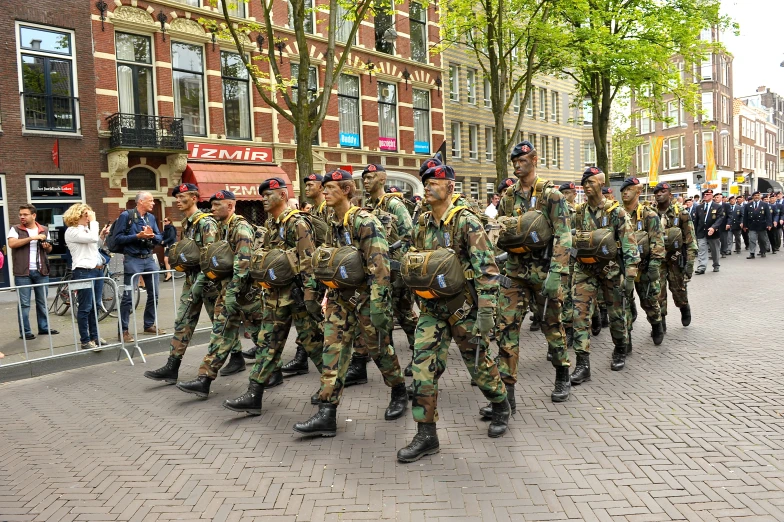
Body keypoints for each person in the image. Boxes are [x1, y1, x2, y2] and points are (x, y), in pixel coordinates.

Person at [397, 164, 509, 463]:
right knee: (422, 367)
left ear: (449, 186)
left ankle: (500, 403)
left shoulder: (466, 222)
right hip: (432, 308)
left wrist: (487, 310)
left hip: (464, 309)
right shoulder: (421, 222)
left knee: (479, 365)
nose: (428, 187)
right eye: (426, 183)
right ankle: (426, 434)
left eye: (434, 182)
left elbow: (487, 269)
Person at [293, 169, 407, 437]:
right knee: (332, 352)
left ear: (346, 189)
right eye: (324, 188)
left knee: (380, 351)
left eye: (331, 187)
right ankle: (327, 413)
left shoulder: (364, 221)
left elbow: (380, 265)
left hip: (367, 298)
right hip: (340, 299)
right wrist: (321, 294)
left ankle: (399, 391)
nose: (325, 192)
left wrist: (379, 306)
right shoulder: (332, 222)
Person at [223, 177, 324, 415]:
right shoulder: (271, 224)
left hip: (298, 296)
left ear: (283, 195)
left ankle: (330, 390)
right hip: (276, 296)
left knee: (315, 346)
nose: (264, 199)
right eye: (263, 195)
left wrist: (311, 296)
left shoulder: (297, 223)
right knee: (268, 345)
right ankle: (253, 395)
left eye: (269, 194)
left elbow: (308, 260)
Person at [493, 140, 572, 408]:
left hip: (543, 270)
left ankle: (563, 373)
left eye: (523, 160)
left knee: (551, 326)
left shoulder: (552, 195)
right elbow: (502, 231)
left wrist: (557, 272)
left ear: (534, 159)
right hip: (515, 272)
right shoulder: (508, 197)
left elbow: (563, 234)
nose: (517, 164)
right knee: (507, 328)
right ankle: (507, 395)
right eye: (514, 160)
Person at [176, 190, 261, 398]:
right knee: (221, 334)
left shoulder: (240, 228)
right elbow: (217, 259)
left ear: (230, 206)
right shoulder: (223, 228)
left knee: (264, 338)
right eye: (211, 205)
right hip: (229, 291)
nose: (212, 209)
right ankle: (204, 380)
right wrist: (203, 281)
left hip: (246, 295)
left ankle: (276, 371)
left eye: (216, 206)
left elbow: (243, 264)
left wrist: (232, 293)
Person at [144, 183, 221, 384]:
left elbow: (211, 256)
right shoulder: (187, 223)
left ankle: (238, 357)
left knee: (220, 325)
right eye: (176, 197)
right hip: (192, 280)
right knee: (183, 322)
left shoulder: (206, 223)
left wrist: (200, 283)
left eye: (182, 197)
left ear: (194, 197)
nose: (178, 201)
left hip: (209, 283)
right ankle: (172, 366)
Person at [570, 167, 639, 383]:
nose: (587, 186)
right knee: (579, 315)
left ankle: (620, 348)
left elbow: (629, 245)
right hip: (585, 271)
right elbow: (568, 242)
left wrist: (630, 275)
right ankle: (582, 364)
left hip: (610, 270)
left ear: (601, 183)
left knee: (617, 314)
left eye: (591, 182)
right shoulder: (578, 213)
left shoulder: (616, 212)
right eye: (585, 183)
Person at [354, 163, 418, 379]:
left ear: (382, 179)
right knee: (383, 313)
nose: (366, 181)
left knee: (405, 314)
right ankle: (383, 359)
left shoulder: (393, 204)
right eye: (364, 178)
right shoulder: (368, 206)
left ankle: (419, 355)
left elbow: (409, 234)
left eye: (370, 177)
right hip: (379, 269)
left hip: (396, 269)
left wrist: (394, 253)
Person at [619, 177, 665, 348]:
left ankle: (656, 324)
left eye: (629, 189)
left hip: (644, 268)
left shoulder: (649, 215)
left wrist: (654, 264)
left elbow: (657, 241)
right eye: (623, 190)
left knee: (649, 301)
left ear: (638, 192)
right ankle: (626, 339)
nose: (625, 192)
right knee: (624, 303)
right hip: (624, 269)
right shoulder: (616, 213)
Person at [115, 192, 164, 341]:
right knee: (129, 297)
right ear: (141, 202)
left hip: (149, 259)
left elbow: (160, 237)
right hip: (133, 259)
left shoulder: (151, 218)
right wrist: (137, 236)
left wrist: (152, 236)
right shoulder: (126, 216)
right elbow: (118, 238)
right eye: (150, 201)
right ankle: (123, 331)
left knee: (154, 294)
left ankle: (149, 324)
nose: (153, 203)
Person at [9, 204, 59, 340]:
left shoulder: (44, 229)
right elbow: (12, 244)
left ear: (33, 215)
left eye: (25, 214)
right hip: (22, 272)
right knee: (24, 304)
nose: (22, 217)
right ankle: (25, 332)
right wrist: (32, 238)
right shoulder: (15, 229)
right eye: (20, 214)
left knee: (42, 301)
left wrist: (47, 247)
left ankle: (43, 328)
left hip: (41, 271)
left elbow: (48, 250)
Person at [653, 182, 696, 331]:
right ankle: (661, 320)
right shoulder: (650, 214)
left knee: (678, 290)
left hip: (676, 259)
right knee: (658, 292)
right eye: (656, 192)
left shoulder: (682, 213)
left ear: (670, 195)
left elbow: (691, 241)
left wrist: (689, 266)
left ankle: (684, 307)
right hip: (658, 261)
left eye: (663, 191)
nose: (659, 194)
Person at [63, 204, 106, 350]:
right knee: (85, 307)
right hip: (83, 271)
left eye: (89, 215)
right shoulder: (72, 231)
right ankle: (85, 340)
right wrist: (94, 222)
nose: (88, 218)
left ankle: (95, 336)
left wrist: (102, 236)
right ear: (77, 215)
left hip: (96, 270)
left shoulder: (87, 230)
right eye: (86, 215)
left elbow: (95, 244)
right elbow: (91, 239)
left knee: (96, 305)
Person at [559, 181, 578, 349]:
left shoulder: (578, 213)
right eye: (563, 193)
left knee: (575, 294)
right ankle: (568, 327)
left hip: (575, 259)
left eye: (568, 193)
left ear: (574, 194)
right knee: (564, 295)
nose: (565, 196)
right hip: (560, 259)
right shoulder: (557, 212)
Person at [691, 189, 724, 274]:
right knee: (702, 250)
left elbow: (720, 218)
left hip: (713, 232)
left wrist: (713, 227)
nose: (706, 196)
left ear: (712, 196)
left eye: (708, 194)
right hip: (701, 232)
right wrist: (694, 232)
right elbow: (696, 221)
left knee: (715, 250)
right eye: (704, 194)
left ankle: (716, 265)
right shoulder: (699, 207)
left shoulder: (718, 206)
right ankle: (702, 267)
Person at [742, 191, 772, 259]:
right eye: (755, 195)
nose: (756, 197)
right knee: (752, 239)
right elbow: (745, 216)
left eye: (758, 195)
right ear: (753, 197)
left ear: (760, 196)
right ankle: (752, 253)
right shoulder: (748, 205)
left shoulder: (765, 204)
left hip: (762, 225)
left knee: (762, 240)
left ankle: (763, 251)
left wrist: (769, 224)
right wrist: (745, 225)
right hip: (752, 225)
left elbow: (768, 215)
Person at [161, 217, 177, 282]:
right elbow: (163, 235)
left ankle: (169, 274)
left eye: (165, 221)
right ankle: (169, 274)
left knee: (167, 260)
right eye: (163, 221)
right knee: (166, 260)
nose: (164, 222)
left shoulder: (171, 228)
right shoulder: (166, 229)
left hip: (172, 246)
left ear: (169, 221)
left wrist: (164, 241)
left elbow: (172, 236)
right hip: (168, 246)